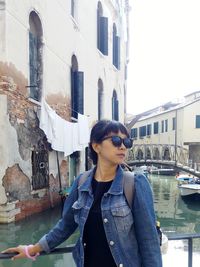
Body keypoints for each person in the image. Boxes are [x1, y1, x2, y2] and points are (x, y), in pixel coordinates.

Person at [2, 119, 162, 267]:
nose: (122, 146)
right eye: (115, 140)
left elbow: (149, 242)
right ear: (96, 146)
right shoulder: (81, 183)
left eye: (126, 142)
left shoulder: (135, 184)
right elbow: (66, 226)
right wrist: (32, 249)